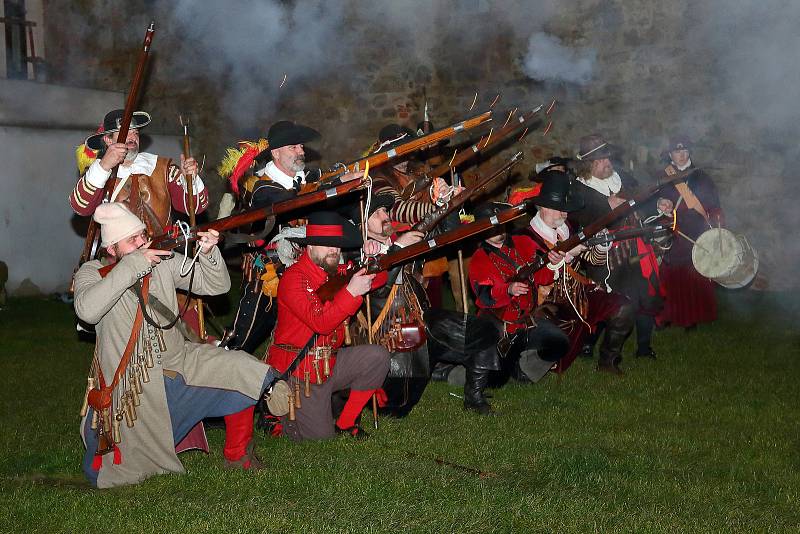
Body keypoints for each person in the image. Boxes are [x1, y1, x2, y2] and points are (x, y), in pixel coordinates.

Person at [73, 203, 287, 488]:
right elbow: (87, 310)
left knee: (239, 368)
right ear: (112, 249)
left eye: (142, 236)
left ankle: (237, 455)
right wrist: (135, 263)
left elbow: (216, 286)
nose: (142, 243)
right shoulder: (93, 271)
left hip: (179, 364)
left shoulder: (162, 261)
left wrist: (209, 253)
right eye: (132, 240)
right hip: (132, 389)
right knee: (108, 472)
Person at [265, 211, 391, 440]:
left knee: (377, 357)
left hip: (328, 363)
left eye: (338, 246)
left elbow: (380, 277)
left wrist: (374, 256)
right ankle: (281, 418)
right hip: (300, 373)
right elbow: (320, 322)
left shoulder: (335, 274)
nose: (335, 250)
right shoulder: (294, 278)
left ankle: (345, 422)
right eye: (327, 245)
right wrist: (352, 291)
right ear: (310, 246)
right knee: (321, 442)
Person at [514, 171, 635, 375]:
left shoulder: (567, 227)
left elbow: (593, 260)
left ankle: (608, 362)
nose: (563, 215)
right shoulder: (523, 238)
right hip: (547, 305)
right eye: (558, 209)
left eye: (566, 210)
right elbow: (530, 280)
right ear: (542, 207)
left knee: (623, 307)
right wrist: (565, 255)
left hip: (578, 295)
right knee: (553, 344)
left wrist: (601, 245)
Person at [569, 134, 664, 360]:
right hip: (601, 253)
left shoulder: (623, 179)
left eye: (607, 157)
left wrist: (659, 205)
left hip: (633, 247)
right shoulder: (579, 189)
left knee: (642, 294)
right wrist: (606, 206)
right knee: (605, 300)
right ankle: (588, 344)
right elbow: (577, 216)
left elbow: (644, 200)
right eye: (600, 160)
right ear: (588, 164)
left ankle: (642, 347)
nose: (607, 162)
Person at [468, 201, 570, 400]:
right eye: (492, 227)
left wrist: (551, 265)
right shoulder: (479, 258)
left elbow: (543, 278)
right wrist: (508, 289)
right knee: (496, 381)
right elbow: (484, 296)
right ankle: (449, 372)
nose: (498, 230)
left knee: (560, 342)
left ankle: (525, 369)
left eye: (501, 225)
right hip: (499, 327)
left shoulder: (524, 242)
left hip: (527, 322)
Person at [70, 109, 208, 233]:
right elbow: (81, 208)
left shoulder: (162, 167)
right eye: (126, 132)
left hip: (161, 254)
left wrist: (190, 179)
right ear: (108, 140)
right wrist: (104, 166)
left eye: (135, 132)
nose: (133, 137)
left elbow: (195, 208)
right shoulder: (98, 172)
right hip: (120, 258)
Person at [656, 135, 722, 328]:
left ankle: (692, 316)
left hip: (695, 231)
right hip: (671, 231)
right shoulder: (663, 176)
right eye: (677, 151)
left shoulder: (701, 177)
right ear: (670, 154)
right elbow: (652, 202)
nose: (682, 155)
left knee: (693, 275)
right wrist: (661, 205)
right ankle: (667, 314)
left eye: (685, 151)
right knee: (669, 275)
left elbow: (713, 205)